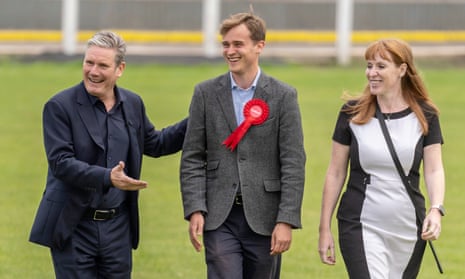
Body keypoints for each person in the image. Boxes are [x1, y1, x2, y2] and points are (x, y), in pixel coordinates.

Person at [29, 30, 187, 278]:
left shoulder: (133, 104)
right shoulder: (59, 106)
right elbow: (61, 163)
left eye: (102, 65)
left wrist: (198, 118)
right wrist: (107, 178)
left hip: (118, 228)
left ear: (119, 69)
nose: (93, 71)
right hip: (74, 226)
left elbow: (155, 144)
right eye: (88, 62)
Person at [180, 11, 306, 279]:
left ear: (259, 46)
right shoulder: (205, 93)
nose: (230, 51)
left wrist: (286, 220)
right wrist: (195, 208)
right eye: (226, 44)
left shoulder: (284, 96)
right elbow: (192, 156)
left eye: (238, 44)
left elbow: (293, 162)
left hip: (265, 218)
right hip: (218, 215)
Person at [318, 38, 445, 278]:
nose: (371, 73)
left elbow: (434, 170)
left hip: (407, 226)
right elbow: (335, 173)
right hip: (360, 223)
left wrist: (436, 209)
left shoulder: (426, 115)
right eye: (369, 65)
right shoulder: (351, 113)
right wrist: (324, 228)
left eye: (380, 66)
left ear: (402, 70)